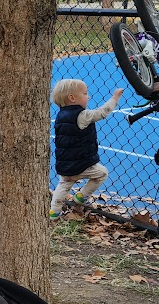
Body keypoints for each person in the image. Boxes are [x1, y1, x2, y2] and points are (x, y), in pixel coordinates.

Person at [48, 79, 123, 219]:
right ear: (72, 98)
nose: (88, 96)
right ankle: (82, 197)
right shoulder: (82, 115)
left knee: (63, 184)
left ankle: (54, 212)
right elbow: (102, 112)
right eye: (85, 93)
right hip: (81, 162)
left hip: (65, 162)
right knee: (102, 174)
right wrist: (115, 98)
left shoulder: (60, 115)